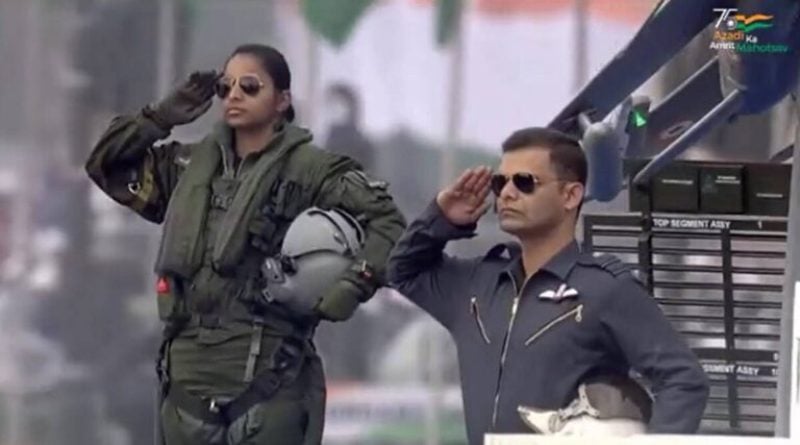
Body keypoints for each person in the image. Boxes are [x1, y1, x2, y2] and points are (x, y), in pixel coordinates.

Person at [85, 43, 405, 445]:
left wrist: (354, 284)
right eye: (225, 87)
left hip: (268, 378)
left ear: (282, 100)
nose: (234, 95)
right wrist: (161, 116)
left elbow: (387, 222)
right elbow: (104, 164)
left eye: (250, 86)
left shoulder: (312, 171)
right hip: (186, 382)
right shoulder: (186, 168)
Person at [387, 127, 709, 444]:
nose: (507, 193)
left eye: (525, 182)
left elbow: (684, 379)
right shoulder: (477, 285)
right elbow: (403, 271)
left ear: (570, 195)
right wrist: (441, 219)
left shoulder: (606, 288)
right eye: (500, 183)